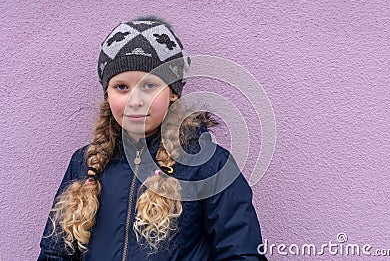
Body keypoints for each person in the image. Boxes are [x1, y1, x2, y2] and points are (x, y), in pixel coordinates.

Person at [38, 16, 268, 261]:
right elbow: (55, 253)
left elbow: (242, 254)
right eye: (121, 87)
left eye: (149, 86)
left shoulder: (209, 165)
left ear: (173, 93)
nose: (135, 101)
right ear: (107, 94)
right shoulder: (85, 163)